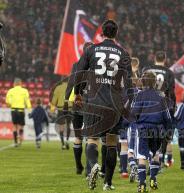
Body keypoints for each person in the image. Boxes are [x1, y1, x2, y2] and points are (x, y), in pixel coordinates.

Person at [74, 19, 133, 190]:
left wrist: (78, 93)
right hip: (114, 104)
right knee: (111, 143)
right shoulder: (123, 53)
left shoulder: (91, 49)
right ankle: (108, 182)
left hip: (94, 101)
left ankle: (93, 166)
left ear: (102, 32)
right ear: (116, 33)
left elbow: (80, 72)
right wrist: (128, 102)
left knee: (92, 139)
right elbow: (129, 82)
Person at [131, 72, 172, 192]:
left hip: (143, 128)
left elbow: (133, 114)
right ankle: (153, 178)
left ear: (143, 81)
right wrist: (168, 132)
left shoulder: (139, 96)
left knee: (142, 156)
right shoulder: (161, 97)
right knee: (155, 154)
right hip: (157, 129)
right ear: (155, 82)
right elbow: (167, 117)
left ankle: (142, 184)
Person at [64, 42, 93, 175]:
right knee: (90, 137)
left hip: (77, 102)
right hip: (90, 103)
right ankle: (88, 168)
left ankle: (78, 166)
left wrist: (66, 98)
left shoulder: (76, 65)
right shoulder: (95, 66)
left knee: (78, 137)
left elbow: (72, 82)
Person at [143, 51, 176, 168]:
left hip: (147, 103)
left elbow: (142, 85)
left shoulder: (148, 69)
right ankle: (159, 161)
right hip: (163, 105)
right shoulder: (169, 73)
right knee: (163, 134)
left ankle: (145, 160)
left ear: (154, 58)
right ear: (165, 59)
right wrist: (173, 106)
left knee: (146, 132)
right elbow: (171, 92)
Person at [6, 78, 31, 147]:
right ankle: (20, 139)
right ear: (20, 83)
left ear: (14, 83)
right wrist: (29, 111)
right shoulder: (24, 91)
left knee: (14, 126)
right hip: (21, 110)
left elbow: (8, 102)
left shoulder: (10, 91)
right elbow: (27, 101)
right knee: (21, 126)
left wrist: (12, 104)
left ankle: (15, 142)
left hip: (14, 110)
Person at [51, 78, 71, 150]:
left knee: (61, 127)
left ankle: (63, 144)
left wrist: (53, 107)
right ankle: (67, 141)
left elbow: (53, 101)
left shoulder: (58, 88)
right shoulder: (71, 87)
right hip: (69, 108)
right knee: (68, 125)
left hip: (60, 109)